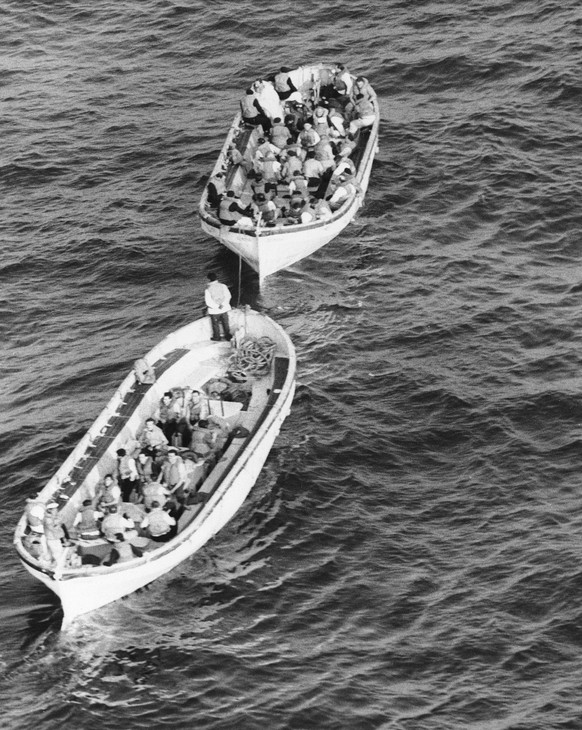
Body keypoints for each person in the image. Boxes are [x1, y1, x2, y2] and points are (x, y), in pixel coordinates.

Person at [205, 272, 232, 341]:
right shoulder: (223, 286)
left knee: (215, 324)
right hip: (224, 309)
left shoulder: (207, 289)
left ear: (209, 279)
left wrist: (217, 306)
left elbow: (208, 302)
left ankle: (217, 337)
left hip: (215, 311)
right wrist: (222, 305)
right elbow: (228, 296)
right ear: (216, 278)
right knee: (226, 323)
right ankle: (228, 336)